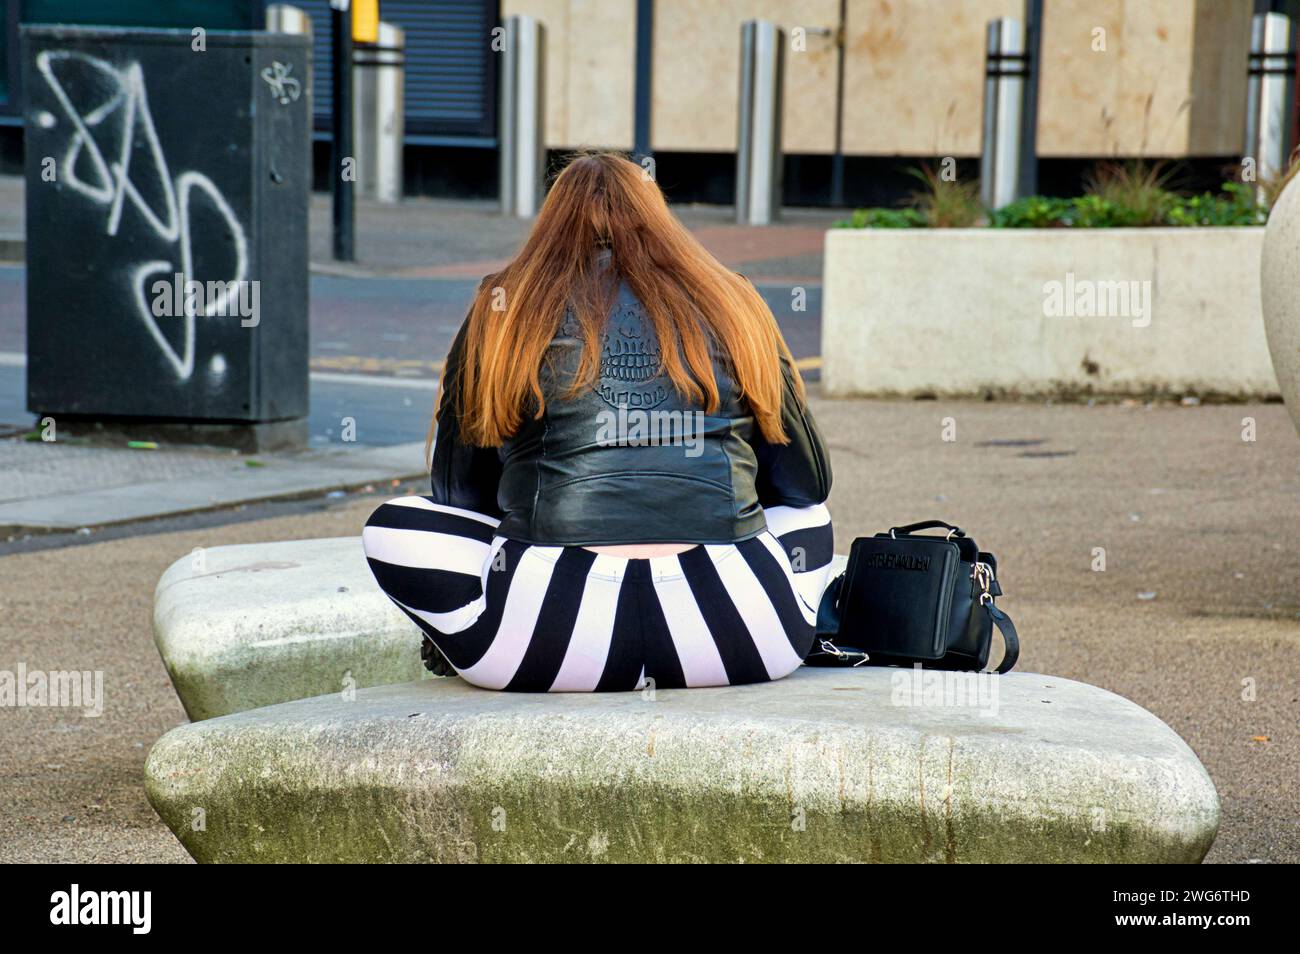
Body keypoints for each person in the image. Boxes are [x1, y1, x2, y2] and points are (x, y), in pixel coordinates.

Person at [362, 152, 833, 692]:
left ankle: (466, 638)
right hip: (744, 642)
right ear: (660, 218)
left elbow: (458, 495)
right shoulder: (733, 298)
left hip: (549, 644)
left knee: (391, 523)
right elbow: (806, 485)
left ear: (550, 222)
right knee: (809, 517)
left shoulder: (503, 305)